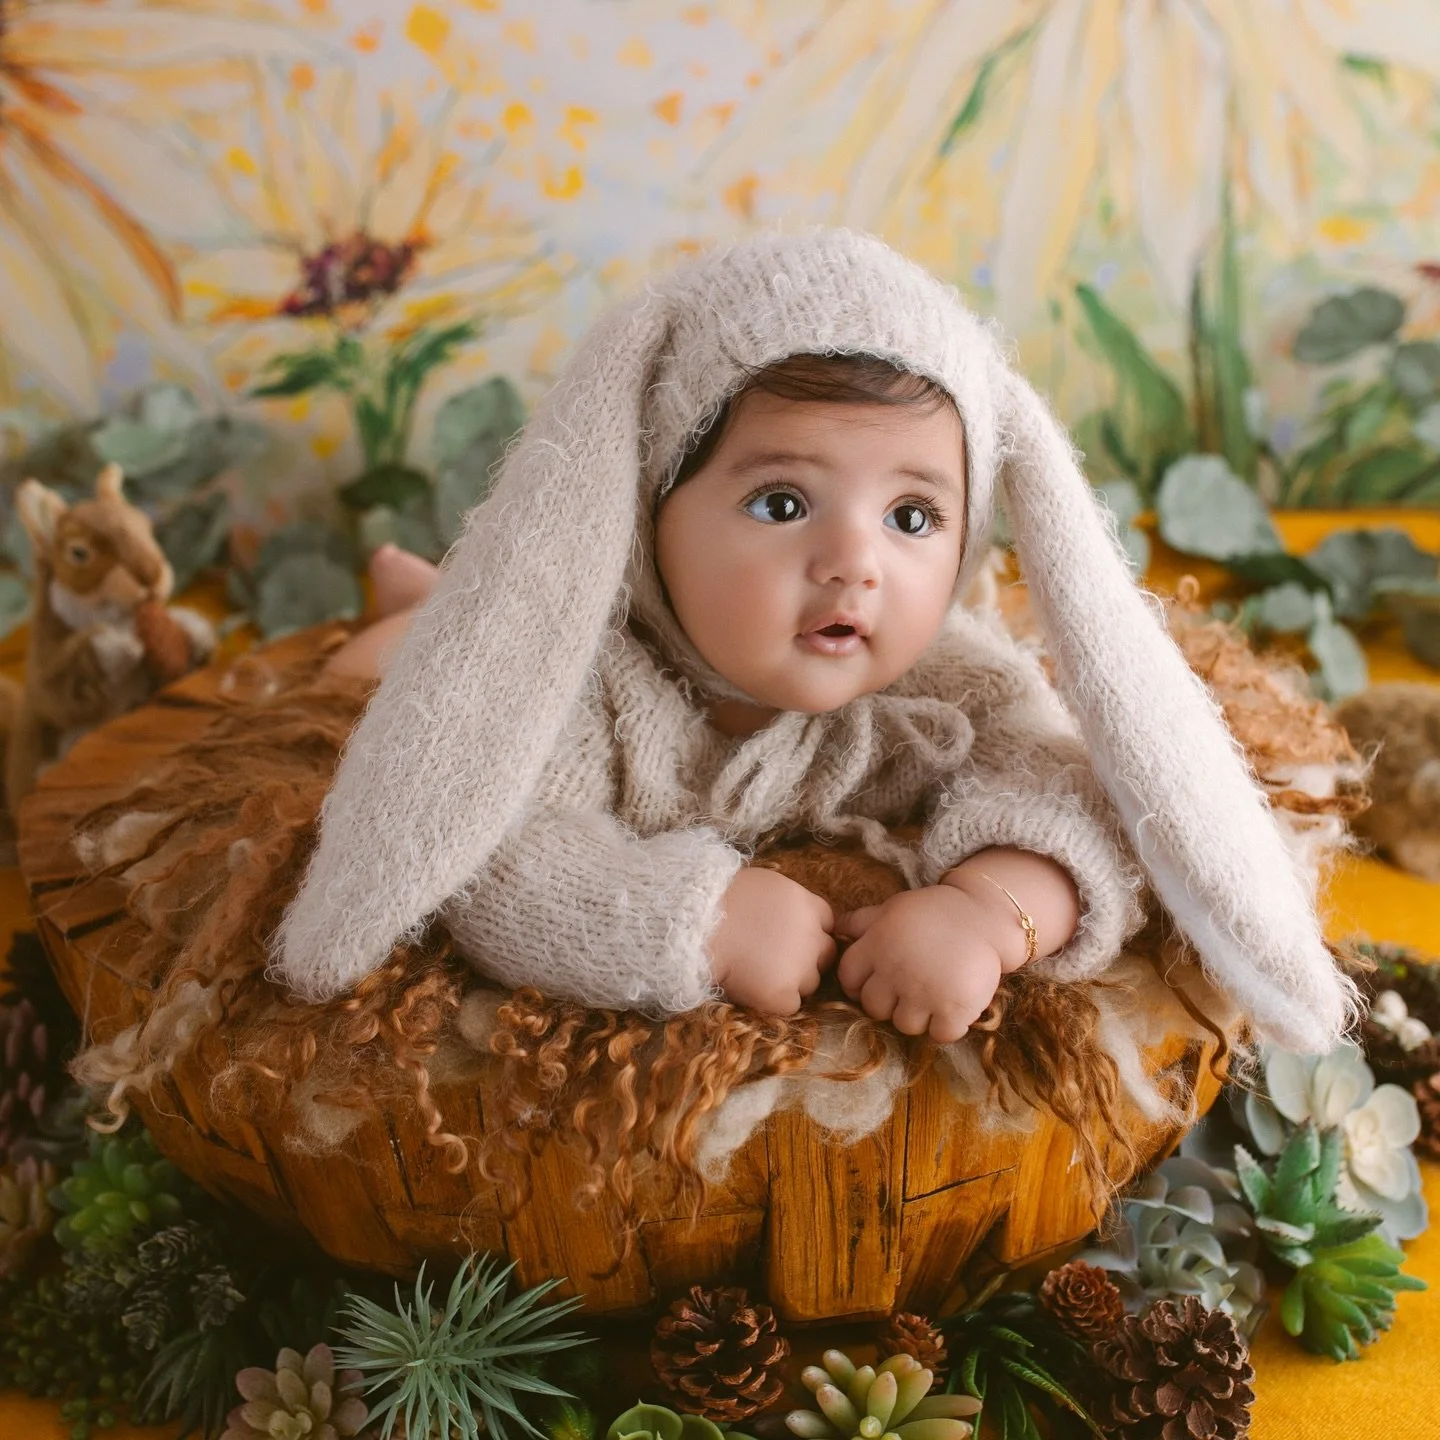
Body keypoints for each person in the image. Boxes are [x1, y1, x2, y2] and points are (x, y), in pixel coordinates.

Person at [276, 228, 1355, 1056]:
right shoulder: (597, 684)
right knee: (391, 671)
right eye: (784, 504)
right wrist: (693, 919)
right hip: (537, 620)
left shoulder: (951, 682)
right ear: (651, 511)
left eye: (914, 517)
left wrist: (991, 910)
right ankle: (416, 602)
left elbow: (1078, 788)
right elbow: (497, 850)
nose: (856, 564)